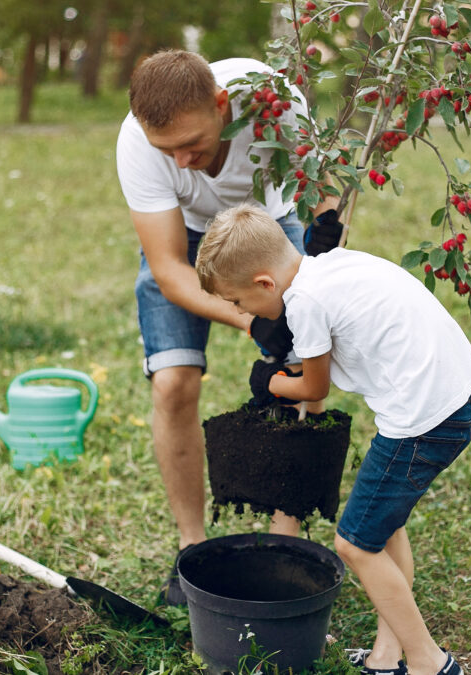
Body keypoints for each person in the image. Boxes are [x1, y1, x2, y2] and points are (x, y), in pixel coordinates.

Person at [195, 204, 471, 675]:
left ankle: (431, 662)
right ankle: (387, 658)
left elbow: (313, 387)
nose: (241, 313)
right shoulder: (330, 265)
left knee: (353, 544)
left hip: (422, 420)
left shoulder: (304, 302)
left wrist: (268, 381)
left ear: (265, 283)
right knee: (383, 527)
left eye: (239, 302)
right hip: (448, 397)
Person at [114, 50, 342, 605]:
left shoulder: (274, 101)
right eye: (168, 150)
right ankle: (193, 551)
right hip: (186, 238)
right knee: (173, 384)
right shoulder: (136, 145)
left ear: (223, 105)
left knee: (297, 363)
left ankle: (282, 544)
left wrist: (326, 232)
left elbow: (326, 188)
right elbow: (169, 269)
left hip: (268, 224)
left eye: (192, 143)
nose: (184, 161)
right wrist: (248, 321)